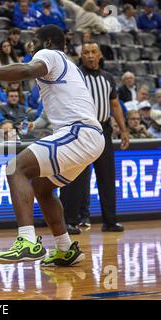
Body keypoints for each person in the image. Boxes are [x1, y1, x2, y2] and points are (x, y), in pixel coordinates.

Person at [0, 25, 105, 266]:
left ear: (47, 41)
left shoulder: (49, 55)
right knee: (43, 188)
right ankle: (65, 248)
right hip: (89, 137)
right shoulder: (71, 66)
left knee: (14, 168)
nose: (31, 46)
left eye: (35, 41)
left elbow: (27, 70)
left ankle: (27, 241)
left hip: (79, 133)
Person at [59, 41, 129, 234]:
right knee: (77, 178)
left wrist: (123, 129)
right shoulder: (75, 76)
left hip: (104, 131)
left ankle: (110, 221)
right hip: (81, 131)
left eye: (93, 52)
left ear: (100, 55)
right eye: (86, 52)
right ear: (81, 56)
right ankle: (70, 221)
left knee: (107, 178)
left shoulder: (108, 78)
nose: (90, 55)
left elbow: (114, 105)